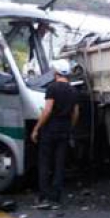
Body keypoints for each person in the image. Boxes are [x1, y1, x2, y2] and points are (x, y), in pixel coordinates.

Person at [31, 59, 79, 209]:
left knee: (45, 163)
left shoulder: (52, 88)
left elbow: (47, 110)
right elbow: (76, 113)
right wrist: (70, 127)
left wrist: (36, 128)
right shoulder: (73, 91)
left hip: (50, 131)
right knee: (59, 164)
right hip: (64, 131)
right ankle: (56, 197)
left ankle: (44, 196)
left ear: (55, 72)